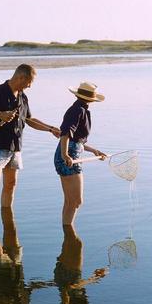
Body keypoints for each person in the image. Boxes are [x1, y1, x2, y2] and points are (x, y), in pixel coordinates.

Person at [0, 64, 61, 215]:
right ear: (21, 77)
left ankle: (7, 219)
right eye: (29, 82)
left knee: (11, 184)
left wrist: (50, 129)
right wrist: (0, 114)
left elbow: (29, 119)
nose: (30, 86)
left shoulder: (22, 96)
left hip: (16, 146)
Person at [54, 82, 107, 226]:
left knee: (70, 201)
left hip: (69, 154)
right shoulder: (78, 110)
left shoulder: (80, 109)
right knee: (76, 201)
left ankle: (67, 233)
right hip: (68, 157)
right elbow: (65, 134)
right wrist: (65, 155)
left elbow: (77, 140)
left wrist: (94, 151)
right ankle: (68, 230)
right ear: (91, 98)